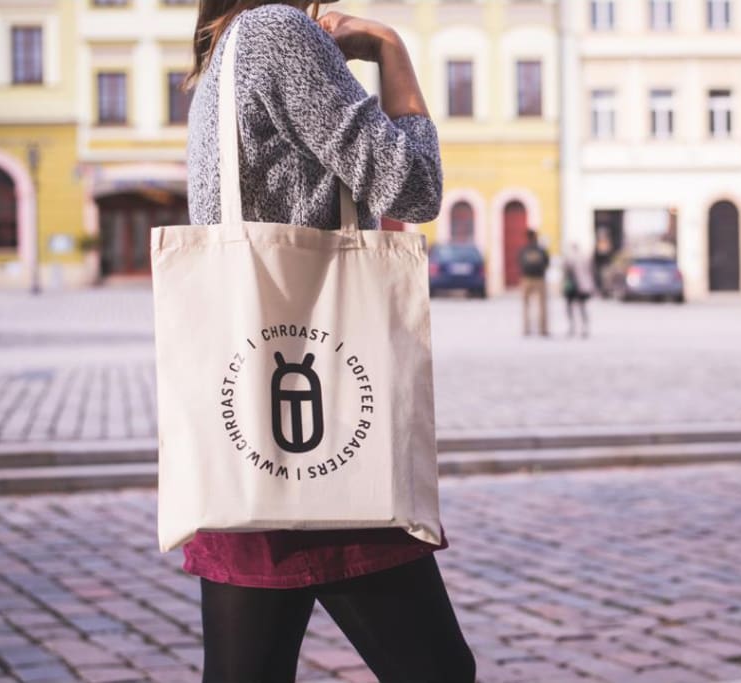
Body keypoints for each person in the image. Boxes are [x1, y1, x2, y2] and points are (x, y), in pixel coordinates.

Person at [183, 2, 474, 681]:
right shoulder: (280, 32)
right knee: (438, 671)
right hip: (331, 436)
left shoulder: (223, 50)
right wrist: (391, 48)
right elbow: (415, 186)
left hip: (247, 437)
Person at [518, 229, 550, 337]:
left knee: (526, 305)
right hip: (539, 278)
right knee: (542, 305)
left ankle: (526, 329)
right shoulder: (541, 250)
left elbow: (519, 262)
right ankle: (543, 329)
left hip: (526, 278)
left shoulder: (524, 250)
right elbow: (547, 262)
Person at [562, 243, 594, 338]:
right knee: (580, 307)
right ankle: (580, 327)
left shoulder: (571, 258)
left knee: (575, 307)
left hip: (576, 285)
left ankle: (576, 326)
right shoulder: (582, 257)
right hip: (576, 285)